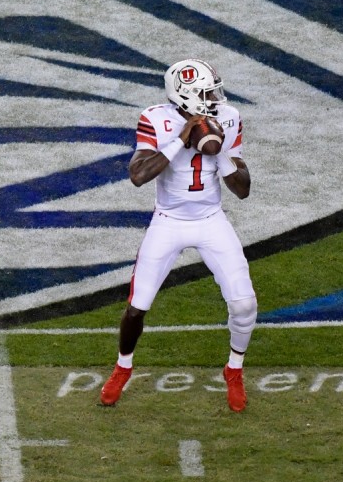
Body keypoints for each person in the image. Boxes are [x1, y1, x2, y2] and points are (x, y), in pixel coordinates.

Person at [99, 58, 255, 412]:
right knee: (137, 307)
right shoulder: (155, 118)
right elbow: (138, 176)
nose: (216, 97)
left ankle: (233, 370)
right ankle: (123, 367)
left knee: (244, 304)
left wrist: (219, 154)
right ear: (185, 95)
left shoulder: (228, 117)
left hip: (211, 219)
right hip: (168, 221)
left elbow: (243, 190)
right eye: (207, 92)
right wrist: (182, 139)